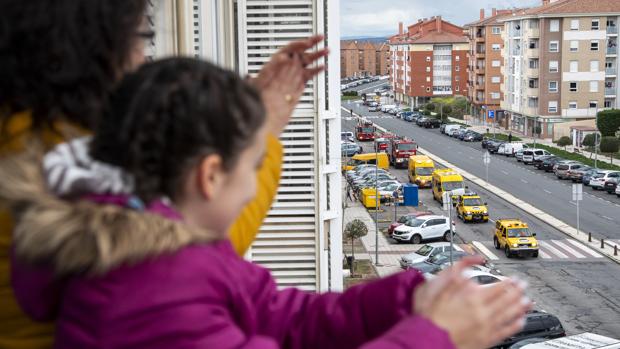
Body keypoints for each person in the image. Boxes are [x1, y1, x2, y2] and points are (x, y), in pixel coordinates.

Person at [2, 58, 530, 349]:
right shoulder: (148, 293)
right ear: (211, 176)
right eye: (255, 163)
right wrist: (435, 337)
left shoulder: (167, 255)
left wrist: (409, 297)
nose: (258, 185)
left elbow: (288, 318)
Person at [0, 1, 326, 347]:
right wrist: (264, 130)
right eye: (142, 37)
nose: (144, 57)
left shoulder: (24, 137)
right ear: (93, 45)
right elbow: (187, 245)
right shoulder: (74, 162)